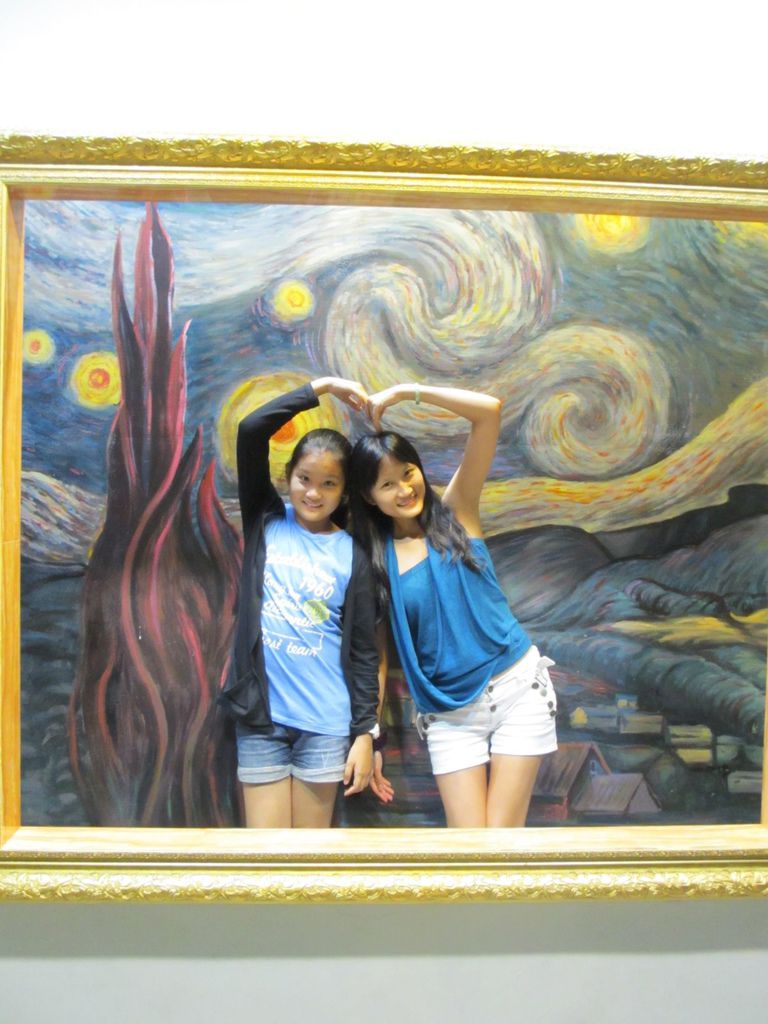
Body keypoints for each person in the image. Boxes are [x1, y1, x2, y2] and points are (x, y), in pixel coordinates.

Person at [348, 384, 557, 828]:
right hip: (449, 713)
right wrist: (371, 736)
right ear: (369, 497)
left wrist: (409, 392)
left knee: (501, 843)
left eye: (408, 472)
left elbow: (489, 413)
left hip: (517, 688)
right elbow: (377, 657)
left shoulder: (456, 512)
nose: (404, 489)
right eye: (387, 484)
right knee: (470, 850)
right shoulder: (375, 563)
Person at [219, 377, 391, 828]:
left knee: (309, 858)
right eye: (305, 479)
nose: (314, 493)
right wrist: (322, 388)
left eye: (329, 484)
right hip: (262, 721)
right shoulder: (267, 520)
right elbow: (251, 430)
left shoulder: (352, 554)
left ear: (344, 492)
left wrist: (365, 734)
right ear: (288, 478)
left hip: (325, 725)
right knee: (267, 857)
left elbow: (363, 653)